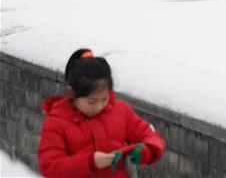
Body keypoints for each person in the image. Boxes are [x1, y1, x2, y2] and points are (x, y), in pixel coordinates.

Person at [38, 48, 166, 178]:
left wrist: (146, 151)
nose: (99, 106)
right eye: (91, 102)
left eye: (104, 98)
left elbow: (149, 135)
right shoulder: (57, 122)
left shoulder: (120, 110)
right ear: (72, 93)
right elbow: (50, 167)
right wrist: (90, 162)